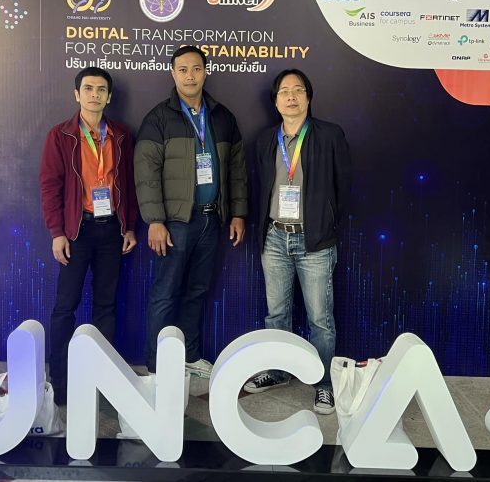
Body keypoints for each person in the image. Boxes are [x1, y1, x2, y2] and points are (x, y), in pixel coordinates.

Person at [135, 44, 248, 378]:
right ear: (173, 74)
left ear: (205, 72)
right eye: (183, 69)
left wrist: (238, 213)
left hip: (212, 219)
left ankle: (189, 355)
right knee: (165, 293)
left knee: (197, 291)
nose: (190, 76)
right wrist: (155, 221)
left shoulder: (222, 117)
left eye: (196, 69)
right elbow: (146, 173)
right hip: (175, 223)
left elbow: (237, 170)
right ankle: (157, 366)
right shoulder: (158, 118)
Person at [244, 68, 352, 415]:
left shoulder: (330, 135)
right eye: (284, 91)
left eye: (298, 90)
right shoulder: (265, 140)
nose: (291, 96)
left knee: (320, 318)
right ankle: (278, 371)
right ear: (275, 101)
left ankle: (323, 384)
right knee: (277, 313)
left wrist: (326, 223)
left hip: (314, 240)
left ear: (308, 97)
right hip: (275, 237)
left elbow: (344, 187)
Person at [39, 67, 138, 405]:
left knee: (105, 306)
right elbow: (50, 186)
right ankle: (61, 382)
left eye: (101, 89)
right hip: (76, 231)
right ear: (77, 94)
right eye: (88, 88)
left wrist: (129, 226)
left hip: (112, 229)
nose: (94, 94)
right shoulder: (60, 135)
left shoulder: (121, 135)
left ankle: (102, 382)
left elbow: (129, 186)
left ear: (109, 97)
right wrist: (57, 232)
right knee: (65, 306)